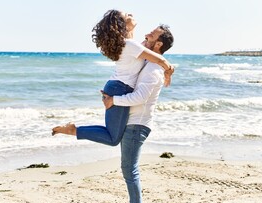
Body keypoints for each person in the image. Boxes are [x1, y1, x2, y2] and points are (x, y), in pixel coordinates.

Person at [52, 10, 174, 146]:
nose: (131, 14)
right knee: (113, 138)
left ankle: (75, 130)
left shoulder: (130, 44)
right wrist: (169, 71)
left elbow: (149, 49)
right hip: (119, 88)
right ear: (122, 25)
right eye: (127, 15)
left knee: (112, 134)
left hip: (117, 87)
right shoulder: (131, 45)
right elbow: (160, 60)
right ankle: (74, 130)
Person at [101, 24, 174, 203]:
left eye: (153, 34)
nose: (147, 34)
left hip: (138, 124)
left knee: (129, 168)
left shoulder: (153, 69)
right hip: (133, 121)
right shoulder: (149, 62)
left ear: (158, 43)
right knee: (128, 168)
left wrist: (113, 100)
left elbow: (140, 97)